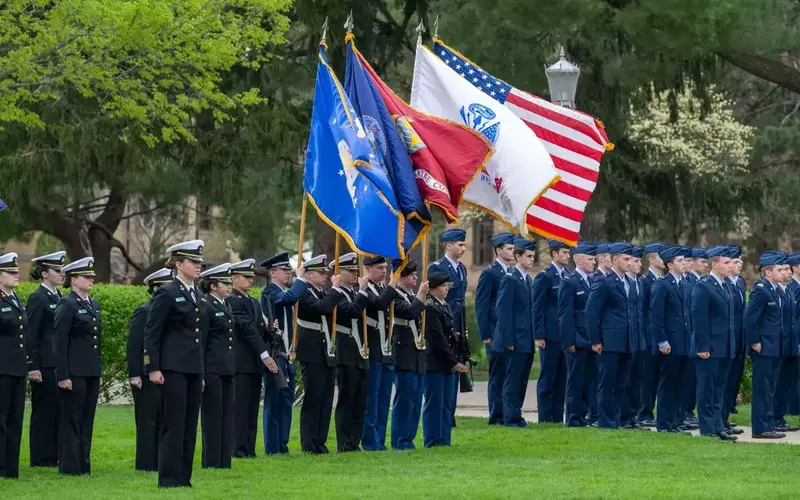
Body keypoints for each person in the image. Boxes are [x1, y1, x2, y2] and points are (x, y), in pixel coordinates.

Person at [143, 240, 205, 487]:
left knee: (190, 426)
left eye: (200, 262)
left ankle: (183, 477)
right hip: (172, 368)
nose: (199, 266)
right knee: (173, 424)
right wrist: (153, 367)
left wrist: (201, 372)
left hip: (192, 368)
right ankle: (168, 478)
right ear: (179, 264)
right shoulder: (166, 293)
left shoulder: (198, 294)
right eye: (193, 261)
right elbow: (152, 333)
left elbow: (198, 337)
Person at [55, 257, 102, 476]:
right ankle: (70, 466)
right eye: (86, 277)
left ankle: (84, 464)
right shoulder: (67, 304)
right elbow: (60, 341)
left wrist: (97, 370)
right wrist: (63, 375)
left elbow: (96, 342)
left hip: (90, 371)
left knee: (87, 419)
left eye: (92, 276)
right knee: (71, 420)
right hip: (74, 372)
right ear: (74, 280)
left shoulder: (92, 304)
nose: (91, 280)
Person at [227, 259, 279, 458]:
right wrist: (265, 354)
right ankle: (238, 448)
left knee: (251, 408)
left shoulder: (253, 302)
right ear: (234, 279)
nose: (250, 281)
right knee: (240, 408)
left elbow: (258, 329)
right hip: (241, 363)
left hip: (254, 363)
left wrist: (270, 330)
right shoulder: (233, 301)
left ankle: (248, 448)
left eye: (251, 277)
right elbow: (248, 331)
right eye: (246, 277)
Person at [260, 252, 308, 455]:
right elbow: (290, 297)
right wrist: (301, 277)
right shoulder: (270, 292)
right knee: (274, 402)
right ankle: (273, 447)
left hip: (287, 354)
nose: (289, 273)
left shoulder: (280, 291)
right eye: (285, 270)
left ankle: (283, 444)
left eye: (290, 270)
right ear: (272, 272)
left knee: (286, 402)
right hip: (275, 353)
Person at [586, 243, 637, 429]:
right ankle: (605, 421)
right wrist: (595, 340)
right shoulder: (605, 281)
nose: (630, 262)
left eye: (631, 259)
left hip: (626, 341)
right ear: (614, 260)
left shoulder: (629, 282)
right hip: (609, 342)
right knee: (607, 382)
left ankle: (615, 419)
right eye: (626, 259)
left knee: (621, 382)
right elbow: (592, 313)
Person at [126, 267, 172, 471]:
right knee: (147, 420)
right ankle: (146, 463)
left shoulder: (169, 312)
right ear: (155, 288)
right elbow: (135, 345)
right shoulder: (144, 311)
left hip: (165, 371)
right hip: (145, 375)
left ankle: (160, 460)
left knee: (163, 419)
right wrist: (134, 374)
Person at [295, 254, 341, 454]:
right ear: (310, 274)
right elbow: (323, 309)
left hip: (326, 351)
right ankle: (309, 443)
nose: (325, 276)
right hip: (311, 351)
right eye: (321, 273)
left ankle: (320, 441)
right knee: (313, 398)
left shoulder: (321, 292)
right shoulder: (303, 293)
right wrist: (336, 289)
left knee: (325, 398)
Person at [691, 246, 737, 441]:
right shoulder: (704, 285)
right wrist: (702, 346)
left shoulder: (726, 285)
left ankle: (718, 426)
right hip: (709, 347)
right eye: (726, 262)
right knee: (706, 389)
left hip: (724, 346)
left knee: (719, 390)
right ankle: (708, 428)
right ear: (714, 264)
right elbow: (699, 319)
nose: (730, 266)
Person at [25, 251, 66, 468]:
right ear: (44, 274)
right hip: (44, 365)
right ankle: (41, 458)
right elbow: (30, 334)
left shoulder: (58, 297)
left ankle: (54, 454)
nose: (62, 274)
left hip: (57, 364)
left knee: (58, 411)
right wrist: (33, 366)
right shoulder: (38, 298)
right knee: (44, 412)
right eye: (57, 270)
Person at [493, 237, 536, 428]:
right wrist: (508, 339)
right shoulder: (510, 279)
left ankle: (516, 413)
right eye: (528, 256)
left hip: (526, 339)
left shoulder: (527, 279)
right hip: (515, 340)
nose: (531, 260)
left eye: (533, 256)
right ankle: (511, 417)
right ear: (518, 256)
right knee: (512, 380)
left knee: (522, 380)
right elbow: (503, 311)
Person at [428, 228, 468, 431]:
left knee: (455, 373)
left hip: (457, 325)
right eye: (459, 244)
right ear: (448, 245)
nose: (463, 247)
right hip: (442, 325)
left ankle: (449, 414)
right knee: (446, 368)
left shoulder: (462, 268)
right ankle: (442, 416)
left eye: (463, 244)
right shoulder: (437, 268)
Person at [329, 253, 369, 453]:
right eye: (350, 271)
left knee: (360, 399)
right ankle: (344, 442)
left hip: (360, 350)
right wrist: (362, 291)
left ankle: (355, 440)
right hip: (346, 351)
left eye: (356, 271)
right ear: (339, 273)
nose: (355, 274)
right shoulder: (336, 294)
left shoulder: (354, 293)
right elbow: (351, 312)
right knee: (347, 398)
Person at [422, 272, 468, 447]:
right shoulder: (431, 307)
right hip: (436, 363)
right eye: (443, 286)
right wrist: (453, 362)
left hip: (447, 362)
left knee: (447, 404)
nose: (447, 289)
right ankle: (433, 439)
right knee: (435, 403)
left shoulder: (444, 305)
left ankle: (444, 439)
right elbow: (437, 339)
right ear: (433, 288)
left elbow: (446, 332)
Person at [745, 252, 787, 439]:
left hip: (775, 347)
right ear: (768, 272)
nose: (783, 272)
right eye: (779, 270)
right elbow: (750, 319)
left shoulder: (776, 290)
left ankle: (769, 424)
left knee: (770, 389)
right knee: (762, 389)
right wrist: (755, 341)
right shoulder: (761, 290)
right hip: (763, 348)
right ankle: (760, 428)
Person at [198, 263, 236, 468]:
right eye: (225, 282)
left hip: (227, 369)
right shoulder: (206, 306)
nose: (229, 286)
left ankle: (224, 461)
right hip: (212, 369)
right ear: (213, 285)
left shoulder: (225, 304)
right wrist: (202, 374)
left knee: (226, 416)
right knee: (212, 418)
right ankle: (212, 461)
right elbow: (202, 342)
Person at [387, 260, 428, 450]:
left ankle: (409, 438)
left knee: (415, 400)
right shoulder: (394, 296)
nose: (415, 277)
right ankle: (400, 440)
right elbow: (410, 313)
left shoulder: (410, 295)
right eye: (411, 275)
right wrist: (421, 295)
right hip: (404, 353)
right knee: (404, 401)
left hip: (417, 353)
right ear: (400, 277)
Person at [475, 232, 515, 425]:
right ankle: (497, 415)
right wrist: (486, 334)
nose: (513, 251)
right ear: (498, 250)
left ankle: (509, 413)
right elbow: (482, 305)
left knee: (509, 375)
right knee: (497, 376)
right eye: (509, 248)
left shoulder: (513, 272)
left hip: (510, 333)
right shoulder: (490, 272)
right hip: (495, 332)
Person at [648, 246, 689, 433]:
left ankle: (676, 421)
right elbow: (656, 317)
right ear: (670, 265)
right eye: (680, 261)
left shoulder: (685, 284)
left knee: (681, 384)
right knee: (668, 384)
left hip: (684, 342)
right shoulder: (662, 284)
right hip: (669, 344)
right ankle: (664, 423)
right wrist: (662, 341)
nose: (684, 263)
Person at [559, 243, 597, 427]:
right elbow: (565, 314)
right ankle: (574, 418)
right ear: (579, 259)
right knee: (575, 382)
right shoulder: (569, 281)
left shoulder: (591, 281)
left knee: (587, 381)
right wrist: (569, 341)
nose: (594, 262)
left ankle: (583, 416)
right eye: (590, 259)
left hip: (589, 340)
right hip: (577, 340)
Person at [361, 255, 397, 451]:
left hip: (386, 349)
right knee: (372, 400)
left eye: (385, 268)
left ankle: (380, 440)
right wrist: (393, 284)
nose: (384, 271)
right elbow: (379, 305)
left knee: (384, 400)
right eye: (380, 268)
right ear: (367, 268)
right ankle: (370, 441)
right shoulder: (366, 288)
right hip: (373, 349)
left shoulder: (384, 289)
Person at [533, 239, 570, 423]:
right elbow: (538, 307)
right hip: (549, 335)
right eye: (564, 252)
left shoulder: (567, 275)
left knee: (562, 377)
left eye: (568, 253)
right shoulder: (545, 276)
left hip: (564, 335)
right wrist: (539, 334)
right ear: (554, 254)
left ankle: (557, 417)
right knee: (548, 377)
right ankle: (545, 418)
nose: (567, 256)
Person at [0, 253, 27, 479]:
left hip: (17, 369)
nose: (16, 275)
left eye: (17, 272)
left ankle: (11, 468)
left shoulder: (16, 299)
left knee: (15, 419)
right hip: (1, 369)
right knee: (1, 419)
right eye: (10, 272)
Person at [635, 242, 664, 427]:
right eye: (662, 257)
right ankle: (644, 413)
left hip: (658, 337)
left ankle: (651, 411)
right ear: (652, 260)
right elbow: (644, 312)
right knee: (647, 378)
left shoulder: (660, 280)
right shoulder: (645, 281)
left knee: (656, 377)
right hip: (648, 337)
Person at [620, 246, 647, 430]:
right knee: (625, 379)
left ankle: (632, 416)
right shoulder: (623, 283)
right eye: (635, 261)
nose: (638, 264)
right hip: (625, 338)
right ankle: (623, 416)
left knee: (637, 379)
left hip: (638, 338)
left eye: (638, 261)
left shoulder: (640, 283)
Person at [681, 247, 708, 427]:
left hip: (692, 335)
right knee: (685, 379)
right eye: (702, 261)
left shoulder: (699, 281)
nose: (705, 265)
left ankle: (688, 411)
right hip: (686, 335)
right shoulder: (690, 281)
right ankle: (684, 411)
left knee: (690, 379)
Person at [773, 258, 800, 433]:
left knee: (787, 379)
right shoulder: (794, 288)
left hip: (792, 341)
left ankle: (780, 415)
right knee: (781, 380)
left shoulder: (791, 288)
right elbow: (794, 319)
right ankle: (777, 415)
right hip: (788, 341)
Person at [723, 246, 747, 426]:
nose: (740, 264)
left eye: (740, 261)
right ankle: (721, 418)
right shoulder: (725, 284)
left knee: (733, 381)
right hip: (726, 339)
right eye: (736, 261)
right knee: (724, 381)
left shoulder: (740, 282)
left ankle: (725, 415)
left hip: (739, 338)